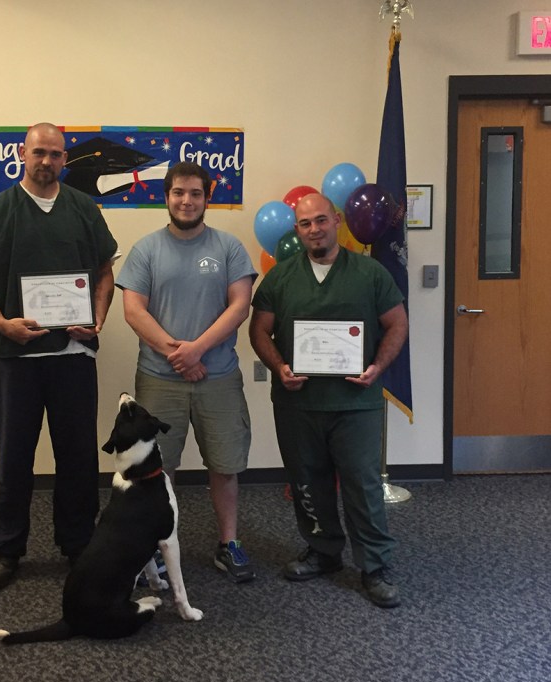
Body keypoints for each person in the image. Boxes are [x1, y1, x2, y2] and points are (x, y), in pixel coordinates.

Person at [0, 123, 118, 590]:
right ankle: (7, 549)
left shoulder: (84, 209)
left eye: (56, 154)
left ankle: (78, 545)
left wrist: (99, 321)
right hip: (14, 358)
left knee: (78, 458)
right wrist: (1, 322)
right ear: (22, 155)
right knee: (13, 458)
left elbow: (105, 273)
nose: (47, 161)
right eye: (39, 153)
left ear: (66, 160)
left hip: (72, 355)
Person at [249, 192, 408, 608]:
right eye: (305, 224)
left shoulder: (370, 273)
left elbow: (396, 325)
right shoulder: (281, 278)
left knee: (362, 483)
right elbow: (259, 331)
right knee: (306, 481)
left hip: (356, 403)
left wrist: (377, 366)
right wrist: (280, 366)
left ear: (336, 220)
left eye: (321, 220)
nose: (314, 229)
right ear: (297, 230)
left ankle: (374, 565)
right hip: (298, 403)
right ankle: (323, 552)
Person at [116, 161, 257, 583]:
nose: (187, 200)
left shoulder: (229, 248)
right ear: (166, 196)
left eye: (195, 193)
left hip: (219, 379)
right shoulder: (146, 249)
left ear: (207, 197)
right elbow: (133, 309)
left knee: (225, 464)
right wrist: (178, 354)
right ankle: (159, 548)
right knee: (160, 467)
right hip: (159, 380)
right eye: (179, 193)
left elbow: (239, 306)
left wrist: (197, 350)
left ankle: (228, 543)